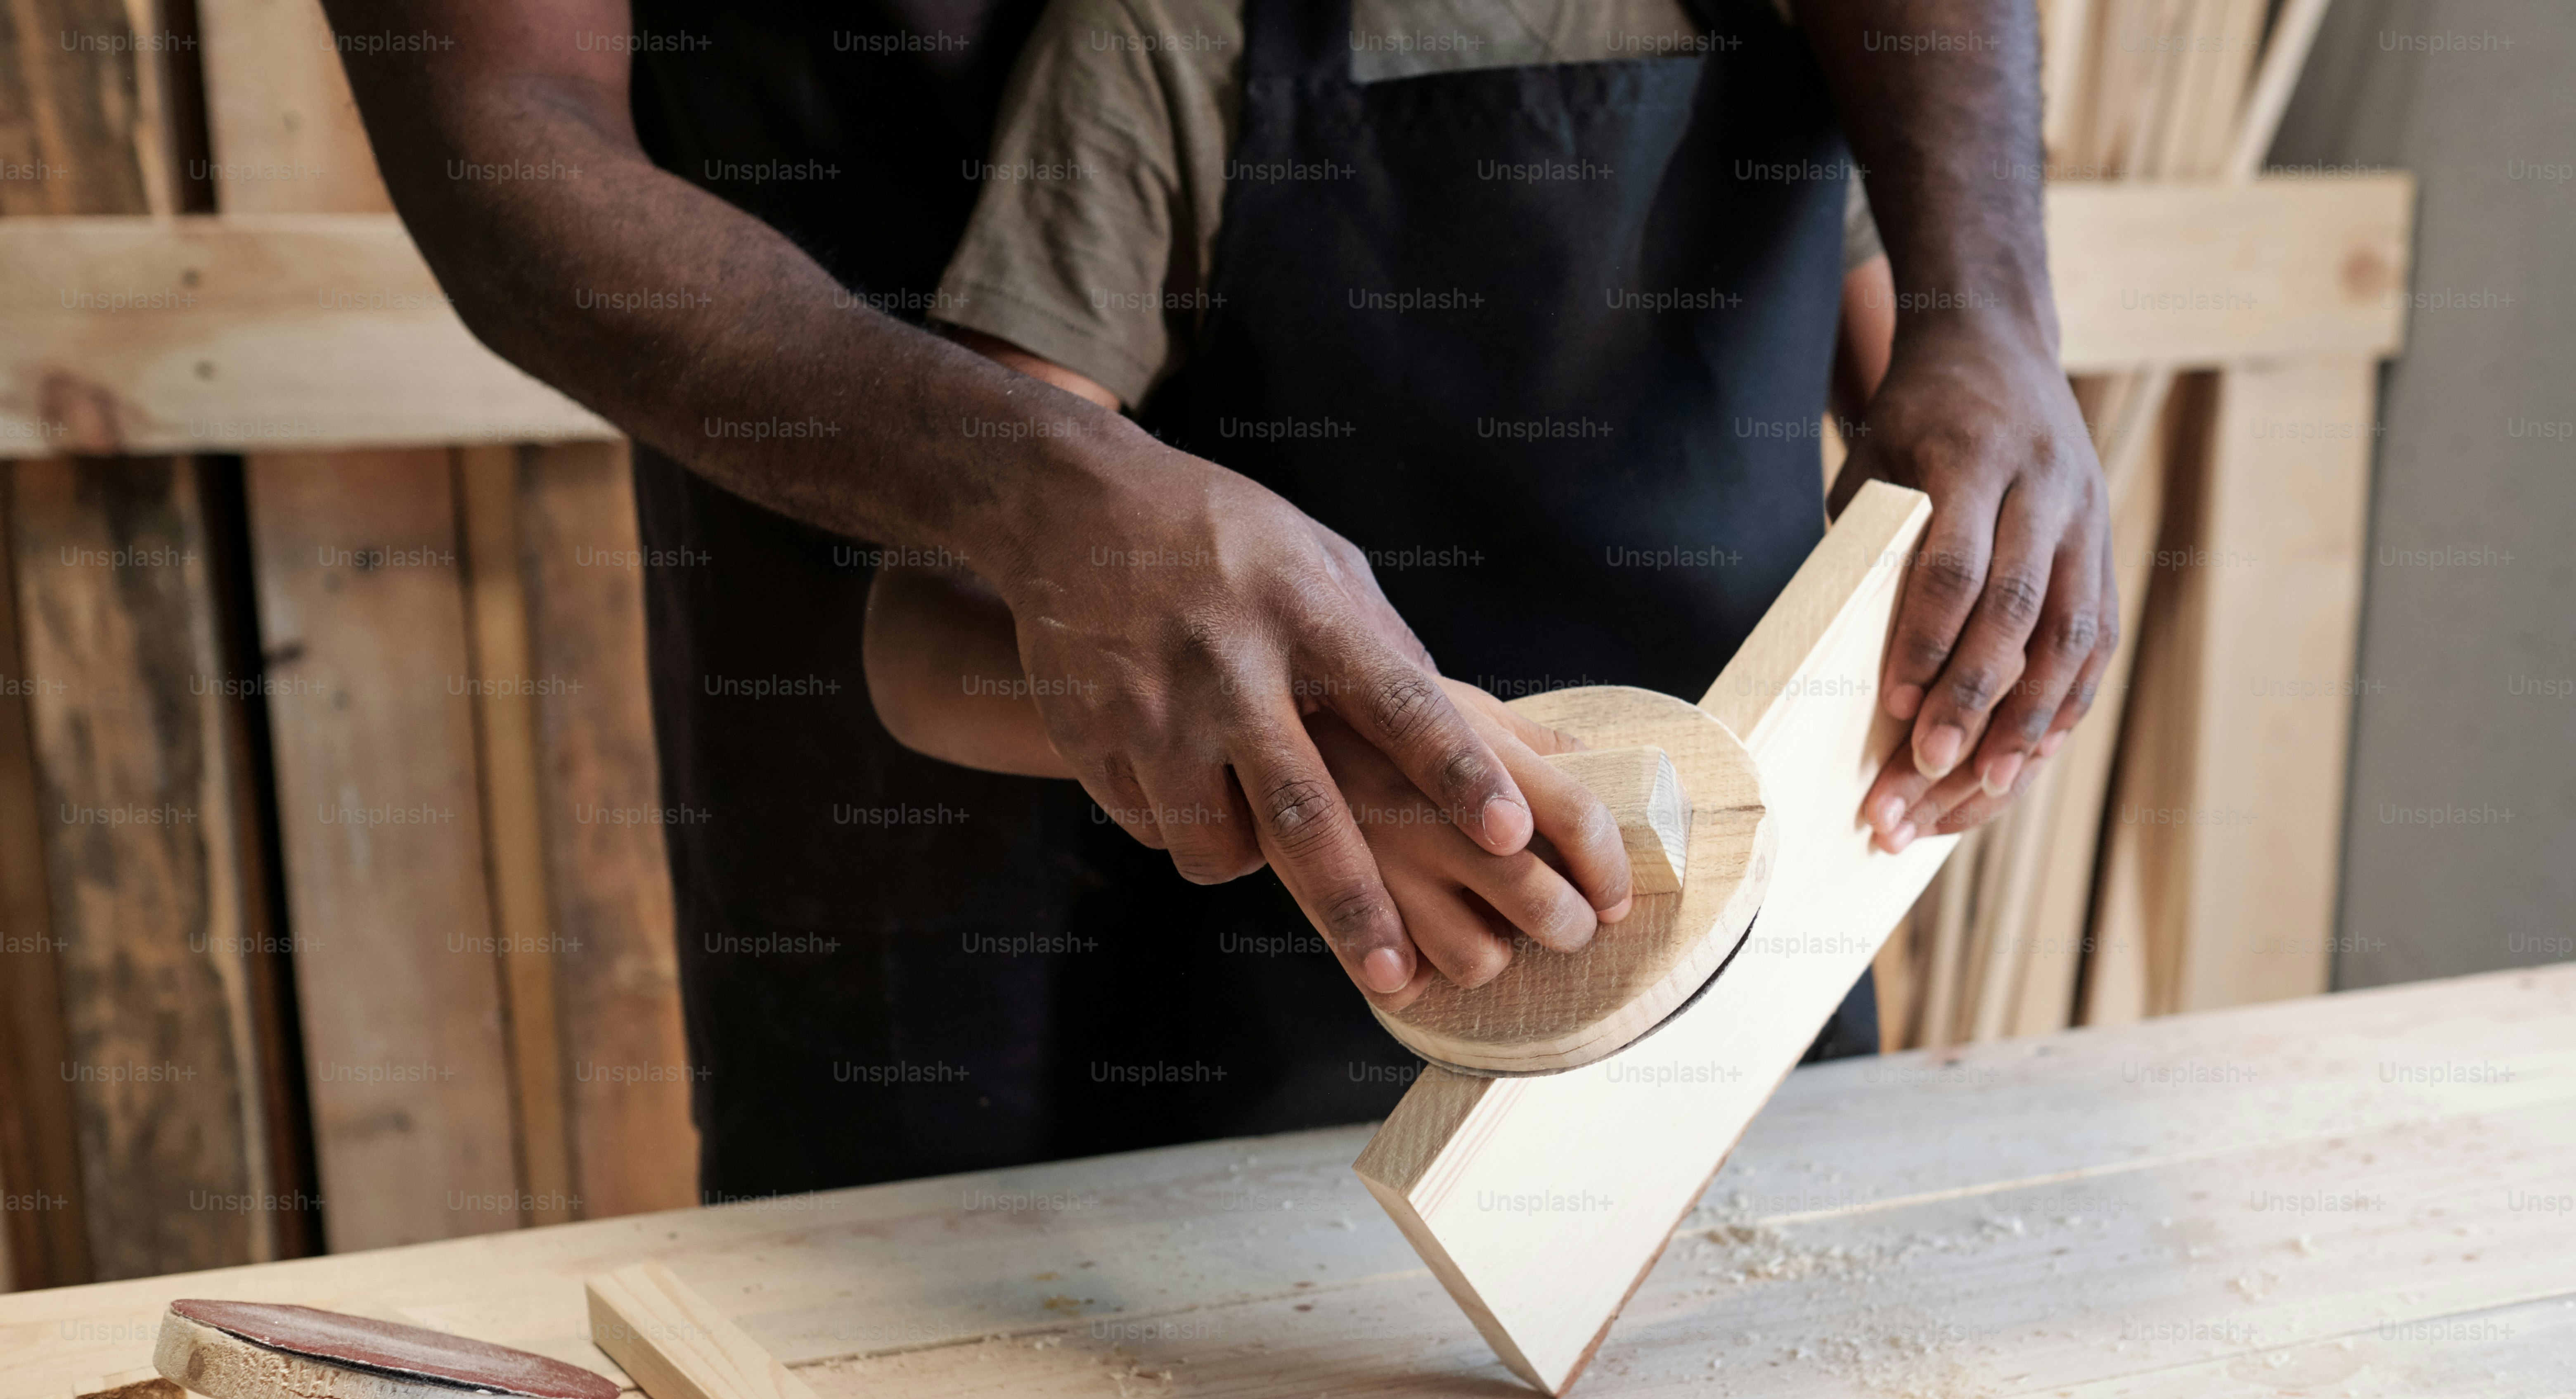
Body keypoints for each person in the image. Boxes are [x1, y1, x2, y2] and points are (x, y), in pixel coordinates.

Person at [328, 0, 2111, 1197]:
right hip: (1243, 1068)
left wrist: (1996, 437)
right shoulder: (1169, 48)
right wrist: (1272, 727)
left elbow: (1931, 500)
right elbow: (921, 633)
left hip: (1729, 1048)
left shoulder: (1778, 55)